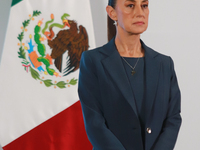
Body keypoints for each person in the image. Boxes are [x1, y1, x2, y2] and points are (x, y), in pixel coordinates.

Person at [78, 0, 182, 149]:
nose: (140, 13)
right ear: (112, 12)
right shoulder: (92, 61)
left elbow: (173, 118)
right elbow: (94, 123)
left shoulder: (164, 64)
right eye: (130, 5)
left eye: (144, 5)